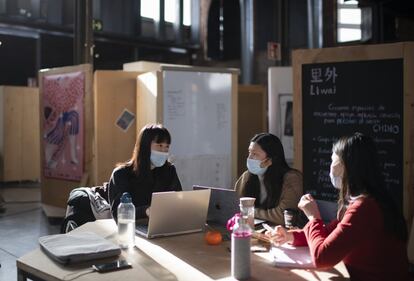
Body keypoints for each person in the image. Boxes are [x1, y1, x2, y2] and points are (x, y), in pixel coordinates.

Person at [266, 133, 409, 281]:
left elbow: (322, 258)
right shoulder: (367, 201)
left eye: (333, 160)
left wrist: (313, 217)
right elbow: (329, 234)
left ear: (347, 167)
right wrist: (291, 236)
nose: (330, 167)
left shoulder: (364, 208)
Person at [108, 124, 182, 219]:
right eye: (159, 145)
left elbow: (179, 201)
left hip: (164, 224)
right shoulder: (121, 174)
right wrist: (146, 211)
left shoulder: (169, 171)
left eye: (167, 146)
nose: (164, 151)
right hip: (134, 227)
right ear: (145, 146)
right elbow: (119, 214)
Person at [234, 133, 303, 225]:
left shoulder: (292, 178)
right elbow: (234, 207)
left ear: (270, 159)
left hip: (282, 234)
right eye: (249, 152)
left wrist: (250, 212)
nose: (249, 158)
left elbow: (283, 217)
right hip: (254, 231)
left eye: (255, 154)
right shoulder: (246, 177)